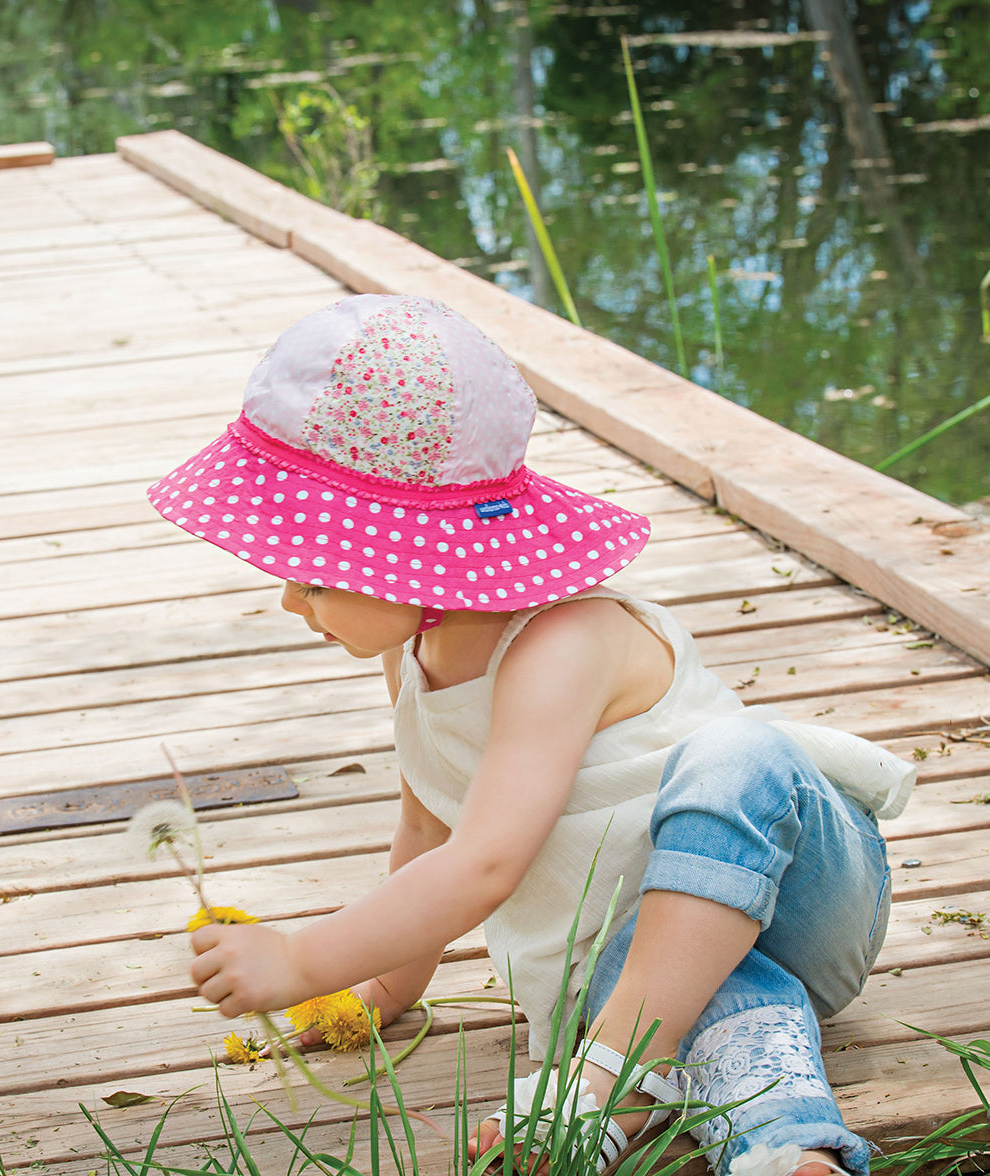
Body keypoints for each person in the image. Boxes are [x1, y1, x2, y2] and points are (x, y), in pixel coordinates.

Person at [148, 294, 912, 1176]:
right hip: (639, 981)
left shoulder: (562, 641)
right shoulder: (416, 654)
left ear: (411, 557)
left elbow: (484, 862)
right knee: (668, 975)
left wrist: (301, 956)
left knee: (741, 752)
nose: (291, 601)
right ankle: (787, 1150)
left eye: (312, 576)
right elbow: (429, 833)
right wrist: (378, 991)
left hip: (801, 897)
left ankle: (600, 1089)